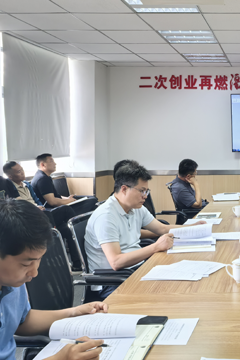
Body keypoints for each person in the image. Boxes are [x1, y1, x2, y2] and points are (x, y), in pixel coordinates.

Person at [0, 199, 107, 360]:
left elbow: (22, 321)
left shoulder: (12, 282)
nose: (34, 273)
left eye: (39, 260)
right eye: (26, 264)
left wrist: (74, 312)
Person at [85, 163, 185, 299]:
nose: (145, 196)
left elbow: (162, 228)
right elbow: (116, 262)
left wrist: (195, 227)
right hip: (113, 281)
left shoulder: (136, 208)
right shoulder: (106, 216)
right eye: (142, 191)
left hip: (136, 268)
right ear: (124, 189)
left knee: (177, 280)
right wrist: (156, 246)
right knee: (166, 294)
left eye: (147, 191)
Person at [31, 153, 99, 215]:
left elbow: (55, 196)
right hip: (56, 210)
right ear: (43, 165)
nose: (55, 164)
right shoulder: (42, 179)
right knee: (92, 201)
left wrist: (67, 199)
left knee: (92, 199)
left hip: (60, 205)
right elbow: (52, 202)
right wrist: (68, 201)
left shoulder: (43, 176)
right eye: (51, 161)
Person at [3, 161, 56, 226]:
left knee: (64, 210)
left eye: (22, 169)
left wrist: (41, 206)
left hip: (39, 210)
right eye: (19, 172)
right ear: (10, 176)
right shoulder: (10, 189)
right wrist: (36, 208)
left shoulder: (27, 184)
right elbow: (19, 207)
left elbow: (36, 199)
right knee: (49, 216)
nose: (22, 172)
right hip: (28, 215)